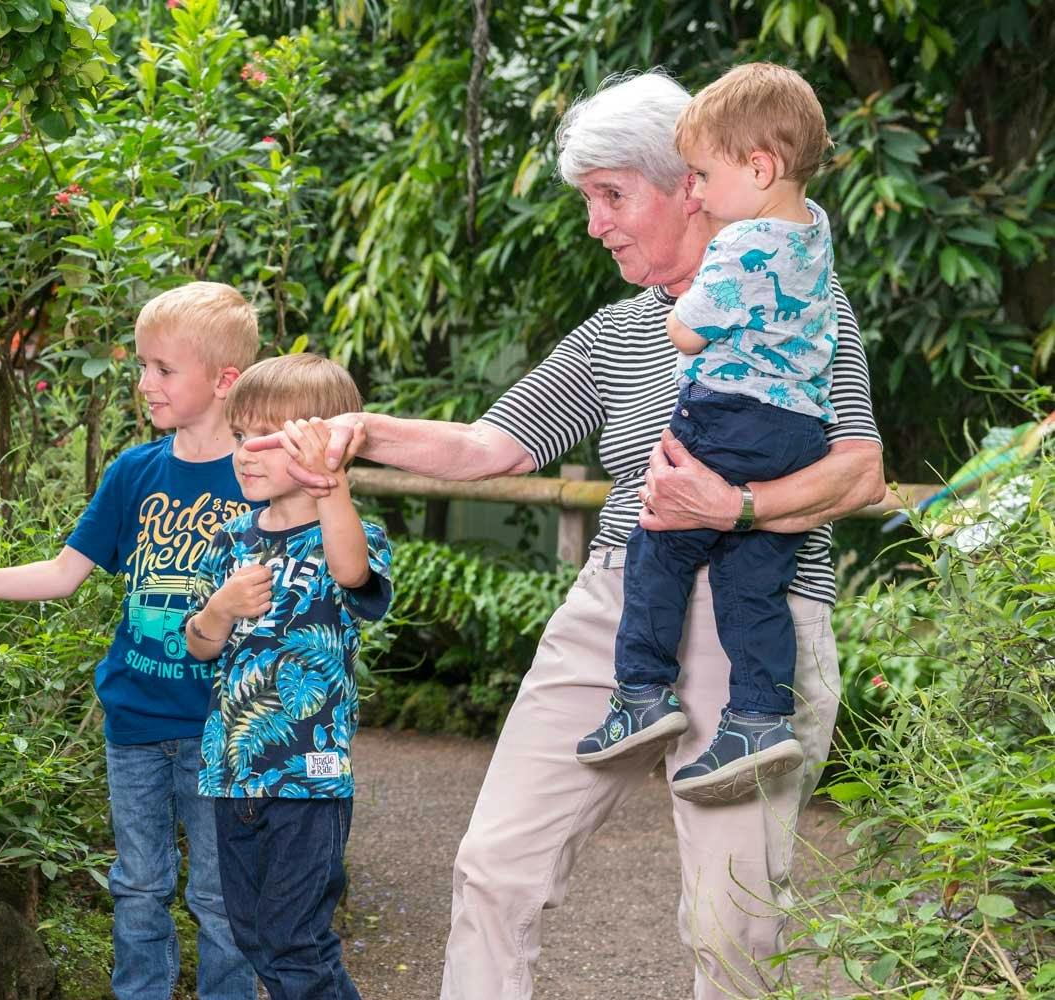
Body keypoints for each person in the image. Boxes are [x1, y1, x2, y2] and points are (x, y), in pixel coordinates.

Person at [251, 70, 886, 999]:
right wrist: (365, 430)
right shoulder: (614, 332)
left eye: (611, 196)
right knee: (495, 864)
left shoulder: (796, 303)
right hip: (617, 603)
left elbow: (860, 472)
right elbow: (487, 445)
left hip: (750, 614)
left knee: (732, 921)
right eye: (589, 200)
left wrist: (738, 509)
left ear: (690, 183)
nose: (596, 223)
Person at [0, 281, 259, 1000]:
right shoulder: (134, 472)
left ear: (225, 380)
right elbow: (65, 573)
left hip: (227, 728)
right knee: (138, 885)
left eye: (164, 369)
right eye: (141, 365)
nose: (145, 382)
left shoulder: (260, 475)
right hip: (133, 721)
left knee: (224, 897)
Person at [575, 62, 841, 805]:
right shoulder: (814, 234)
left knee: (656, 541)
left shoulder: (740, 244)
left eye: (699, 175)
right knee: (751, 582)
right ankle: (759, 716)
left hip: (731, 415)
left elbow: (687, 334)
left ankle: (640, 694)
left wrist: (681, 310)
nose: (693, 191)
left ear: (759, 167)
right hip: (797, 431)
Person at [184, 353, 393, 1000]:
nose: (245, 453)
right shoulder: (228, 539)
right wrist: (218, 610)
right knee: (252, 935)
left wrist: (332, 489)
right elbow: (197, 645)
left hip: (309, 778)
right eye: (240, 436)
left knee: (294, 942)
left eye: (268, 440)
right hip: (230, 772)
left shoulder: (348, 531)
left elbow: (354, 574)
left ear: (323, 444)